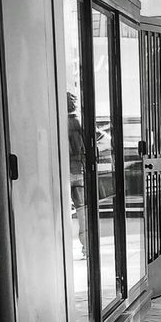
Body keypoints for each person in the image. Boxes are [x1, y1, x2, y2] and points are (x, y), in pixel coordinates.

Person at [67, 92, 88, 258]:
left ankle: (64, 247)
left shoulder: (59, 123)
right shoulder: (80, 123)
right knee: (82, 211)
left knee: (63, 211)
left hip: (65, 172)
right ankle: (86, 248)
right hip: (80, 171)